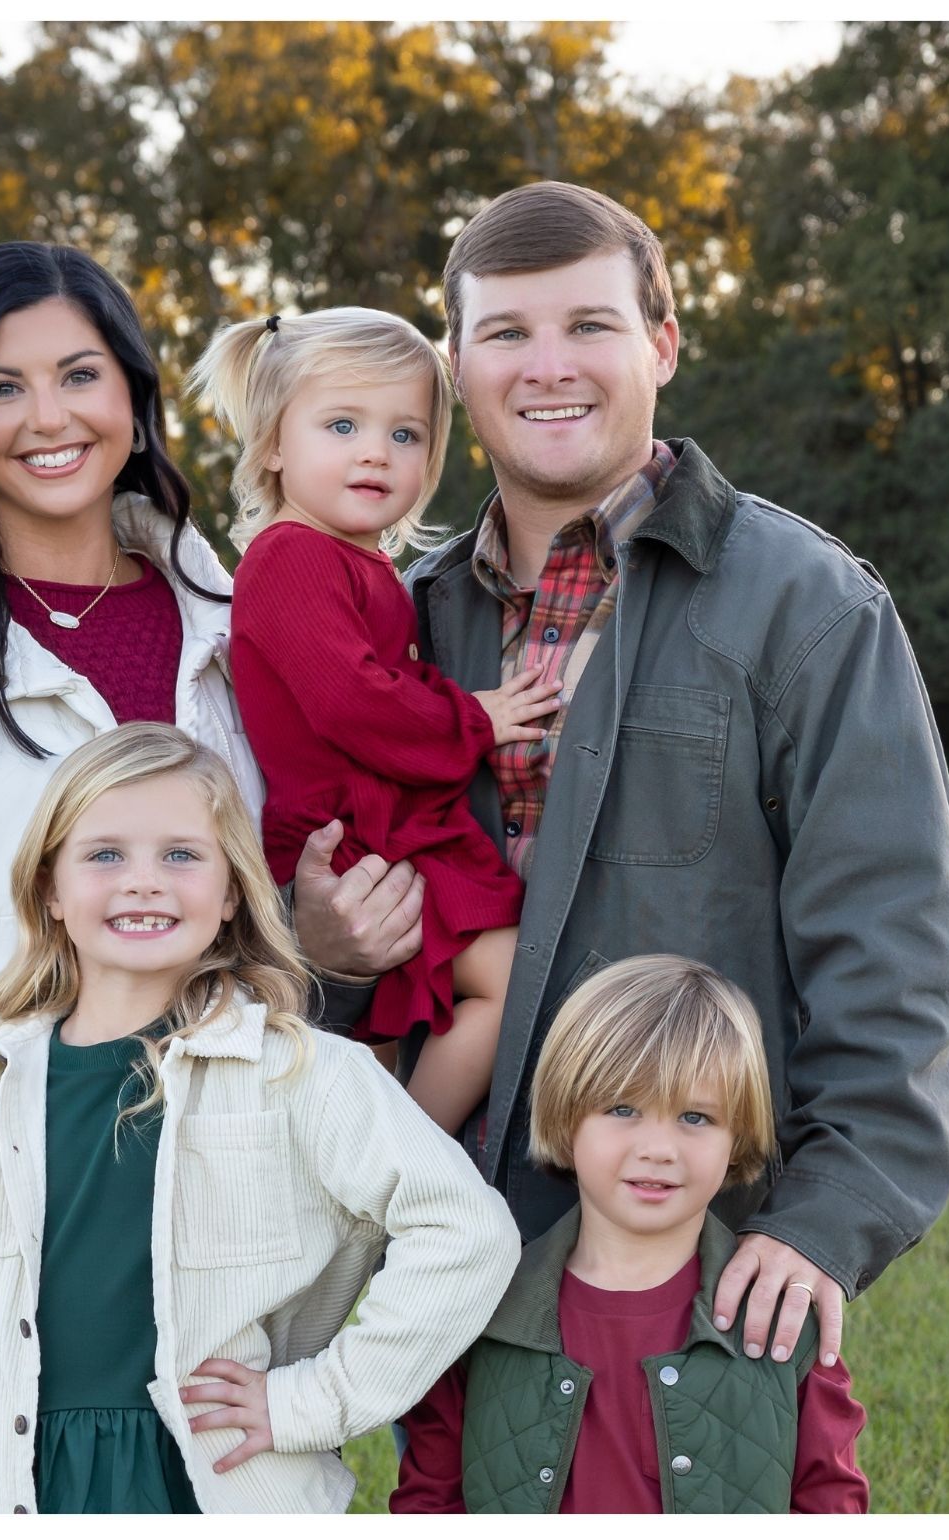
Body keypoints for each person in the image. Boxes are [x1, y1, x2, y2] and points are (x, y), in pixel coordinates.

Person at [300, 181, 949, 1384]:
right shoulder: (390, 629)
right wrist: (333, 962)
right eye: (505, 332)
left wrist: (827, 1217)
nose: (546, 365)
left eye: (590, 326)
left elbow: (895, 949)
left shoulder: (806, 607)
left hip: (702, 1261)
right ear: (457, 367)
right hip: (453, 1264)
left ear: (662, 344)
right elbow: (319, 957)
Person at [0, 243, 420, 1413]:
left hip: (217, 1206)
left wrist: (330, 951)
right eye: (2, 387)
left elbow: (283, 910)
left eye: (80, 375)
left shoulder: (236, 623)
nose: (46, 418)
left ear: (134, 399)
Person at [0, 723, 518, 1513]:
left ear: (233, 888)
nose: (144, 882)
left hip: (223, 1483)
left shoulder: (301, 1071)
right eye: (105, 855)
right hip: (24, 1485)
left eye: (182, 854)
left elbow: (468, 1233)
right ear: (50, 891)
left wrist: (313, 1399)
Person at [187, 307, 561, 1132]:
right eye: (343, 425)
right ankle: (415, 1170)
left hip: (386, 824)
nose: (375, 452)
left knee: (383, 1032)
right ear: (275, 444)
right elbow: (351, 699)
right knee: (505, 974)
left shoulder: (355, 560)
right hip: (351, 836)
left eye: (406, 434)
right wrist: (474, 719)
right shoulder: (288, 558)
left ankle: (379, 1169)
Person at [390, 954, 869, 1513]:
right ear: (567, 1119)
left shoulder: (782, 1316)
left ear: (737, 1136)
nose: (658, 1149)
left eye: (695, 1117)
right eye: (623, 1109)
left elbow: (832, 1501)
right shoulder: (482, 1311)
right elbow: (430, 1501)